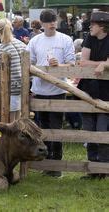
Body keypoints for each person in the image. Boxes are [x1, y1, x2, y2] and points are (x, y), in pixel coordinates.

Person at [26, 9, 75, 177]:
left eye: (53, 20)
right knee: (42, 129)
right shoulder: (35, 41)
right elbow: (28, 63)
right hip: (39, 90)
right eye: (48, 20)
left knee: (57, 128)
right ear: (42, 23)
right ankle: (46, 163)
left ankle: (57, 166)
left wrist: (58, 66)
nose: (52, 23)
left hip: (58, 89)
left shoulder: (65, 39)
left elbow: (71, 64)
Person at [78, 11, 109, 179]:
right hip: (88, 90)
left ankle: (103, 170)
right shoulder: (89, 38)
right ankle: (92, 170)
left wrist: (104, 65)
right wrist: (103, 63)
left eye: (93, 24)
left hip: (106, 92)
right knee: (89, 130)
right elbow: (83, 62)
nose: (90, 27)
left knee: (102, 130)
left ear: (102, 26)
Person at [0, 18, 26, 121]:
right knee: (17, 118)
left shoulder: (1, 48)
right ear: (11, 29)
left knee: (7, 120)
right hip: (22, 86)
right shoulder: (22, 45)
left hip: (8, 88)